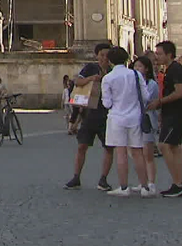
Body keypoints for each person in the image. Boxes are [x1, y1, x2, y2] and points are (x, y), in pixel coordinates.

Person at [101, 47, 153, 198]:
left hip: (117, 117)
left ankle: (124, 186)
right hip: (135, 116)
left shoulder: (108, 78)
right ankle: (144, 186)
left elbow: (106, 103)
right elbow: (145, 96)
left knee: (121, 152)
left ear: (110, 61)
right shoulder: (136, 74)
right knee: (137, 152)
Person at [64, 43, 115, 191]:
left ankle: (103, 179)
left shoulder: (112, 71)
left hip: (106, 114)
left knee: (108, 147)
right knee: (82, 146)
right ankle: (76, 177)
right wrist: (91, 78)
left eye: (107, 55)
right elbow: (77, 82)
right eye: (102, 55)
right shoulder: (90, 68)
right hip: (89, 113)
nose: (104, 58)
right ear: (97, 56)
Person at [148, 40, 182, 197]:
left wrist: (159, 102)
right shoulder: (170, 69)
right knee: (174, 147)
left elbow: (179, 92)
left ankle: (177, 183)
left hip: (175, 112)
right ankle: (179, 182)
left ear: (169, 54)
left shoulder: (175, 70)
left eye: (159, 54)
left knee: (164, 145)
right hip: (171, 112)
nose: (156, 56)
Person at [133, 56, 160, 192]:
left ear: (146, 69)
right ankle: (142, 181)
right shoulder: (132, 81)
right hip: (134, 120)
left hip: (147, 120)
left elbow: (148, 101)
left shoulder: (151, 84)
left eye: (140, 66)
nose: (137, 69)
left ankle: (151, 182)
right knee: (138, 153)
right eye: (135, 66)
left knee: (147, 153)